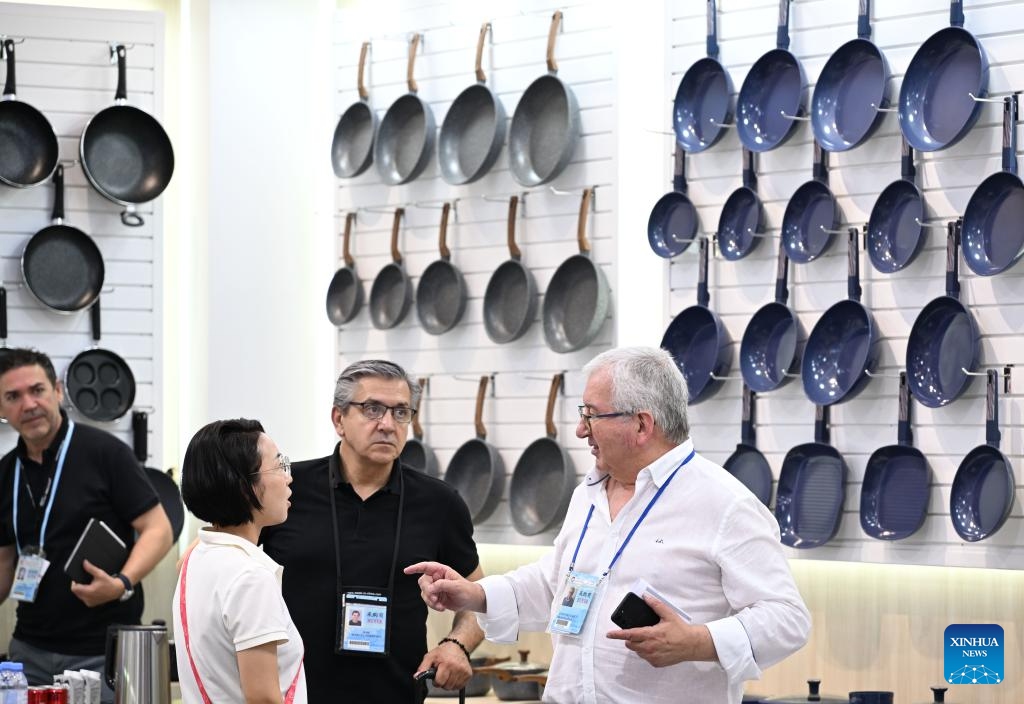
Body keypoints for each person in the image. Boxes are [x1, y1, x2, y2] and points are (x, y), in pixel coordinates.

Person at [406, 346, 811, 704]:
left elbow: (786, 618)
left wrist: (699, 642)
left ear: (641, 425)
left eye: (591, 415)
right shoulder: (589, 493)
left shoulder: (724, 504)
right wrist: (474, 594)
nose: (581, 429)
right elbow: (554, 584)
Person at [260, 359, 484, 703]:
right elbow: (221, 559)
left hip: (398, 695)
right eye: (372, 409)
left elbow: (478, 598)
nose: (387, 424)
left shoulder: (440, 503)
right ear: (339, 420)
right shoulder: (288, 488)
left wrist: (457, 645)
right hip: (296, 696)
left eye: (400, 412)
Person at [0, 349, 174, 704]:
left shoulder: (105, 453)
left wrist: (122, 583)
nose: (28, 404)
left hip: (101, 653)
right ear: (2, 409)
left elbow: (159, 529)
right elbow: (4, 562)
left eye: (37, 390)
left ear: (58, 391)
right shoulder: (5, 473)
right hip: (28, 653)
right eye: (12, 397)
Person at [173, 418, 306, 703]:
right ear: (245, 487)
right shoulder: (250, 577)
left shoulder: (196, 558)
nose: (289, 477)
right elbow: (263, 698)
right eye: (279, 465)